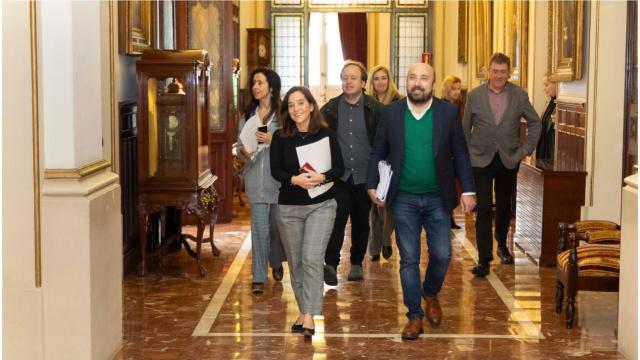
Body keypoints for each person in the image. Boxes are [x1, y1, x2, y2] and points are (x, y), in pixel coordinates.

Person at [367, 63, 476, 340]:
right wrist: (372, 184)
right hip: (403, 197)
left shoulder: (447, 112)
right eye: (413, 77)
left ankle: (430, 292)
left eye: (424, 78)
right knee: (409, 259)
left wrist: (468, 190)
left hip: (439, 197)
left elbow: (461, 154)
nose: (418, 83)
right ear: (406, 82)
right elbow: (378, 149)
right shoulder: (391, 113)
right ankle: (414, 314)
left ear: (432, 82)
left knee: (442, 255)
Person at [270, 86, 345, 338]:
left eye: (301, 103)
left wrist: (322, 176)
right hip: (289, 207)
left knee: (312, 258)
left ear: (311, 106)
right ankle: (304, 311)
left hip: (321, 205)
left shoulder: (326, 134)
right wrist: (294, 180)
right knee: (296, 262)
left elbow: (338, 169)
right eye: (291, 105)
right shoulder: (280, 137)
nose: (296, 109)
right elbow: (276, 171)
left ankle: (310, 317)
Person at [462, 53, 542, 277]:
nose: (498, 76)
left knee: (505, 206)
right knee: (484, 206)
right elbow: (465, 127)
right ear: (488, 71)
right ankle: (484, 259)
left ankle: (502, 245)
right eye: (495, 71)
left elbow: (535, 124)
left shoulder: (519, 95)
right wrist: (467, 154)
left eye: (503, 72)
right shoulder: (475, 96)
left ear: (509, 73)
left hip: (508, 158)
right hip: (480, 159)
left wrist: (524, 150)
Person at [321, 60, 381, 284]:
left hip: (366, 175)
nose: (348, 81)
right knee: (337, 217)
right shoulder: (330, 108)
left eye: (353, 77)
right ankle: (331, 264)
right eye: (345, 77)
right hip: (340, 175)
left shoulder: (375, 108)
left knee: (360, 220)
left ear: (363, 82)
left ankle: (356, 262)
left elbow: (384, 141)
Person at [236, 67, 286, 294]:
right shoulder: (248, 116)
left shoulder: (284, 114)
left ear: (271, 87)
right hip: (255, 177)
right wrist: (243, 151)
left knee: (276, 225)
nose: (255, 87)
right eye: (253, 83)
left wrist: (272, 138)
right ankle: (258, 276)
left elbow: (292, 142)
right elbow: (238, 146)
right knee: (258, 227)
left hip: (278, 179)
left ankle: (275, 260)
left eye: (260, 83)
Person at [366, 65, 403, 261]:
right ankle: (374, 248)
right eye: (376, 79)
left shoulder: (399, 102)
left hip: (392, 159)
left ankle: (387, 240)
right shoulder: (367, 103)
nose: (380, 82)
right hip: (373, 158)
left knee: (387, 204)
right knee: (375, 205)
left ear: (389, 81)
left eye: (384, 78)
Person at [440, 75, 465, 229]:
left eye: (459, 89)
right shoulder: (441, 106)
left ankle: (450, 217)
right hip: (445, 152)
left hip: (456, 151)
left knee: (454, 185)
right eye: (454, 89)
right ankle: (446, 217)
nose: (457, 92)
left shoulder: (460, 106)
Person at [535, 73, 557, 161]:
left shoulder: (558, 104)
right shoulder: (550, 103)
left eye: (546, 85)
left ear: (557, 84)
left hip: (551, 152)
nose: (544, 89)